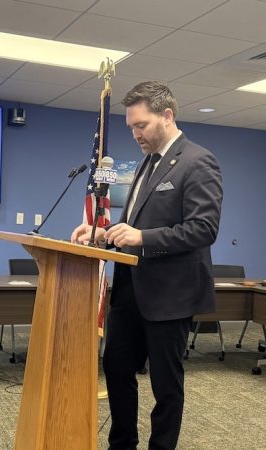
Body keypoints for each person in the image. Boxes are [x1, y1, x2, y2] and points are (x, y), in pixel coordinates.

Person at [71, 81, 223, 450]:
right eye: (131, 128)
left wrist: (144, 238)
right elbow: (134, 224)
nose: (136, 134)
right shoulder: (146, 164)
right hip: (129, 293)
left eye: (142, 125)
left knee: (165, 386)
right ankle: (122, 444)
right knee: (117, 369)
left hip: (169, 296)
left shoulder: (197, 161)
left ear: (167, 116)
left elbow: (204, 229)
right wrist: (100, 233)